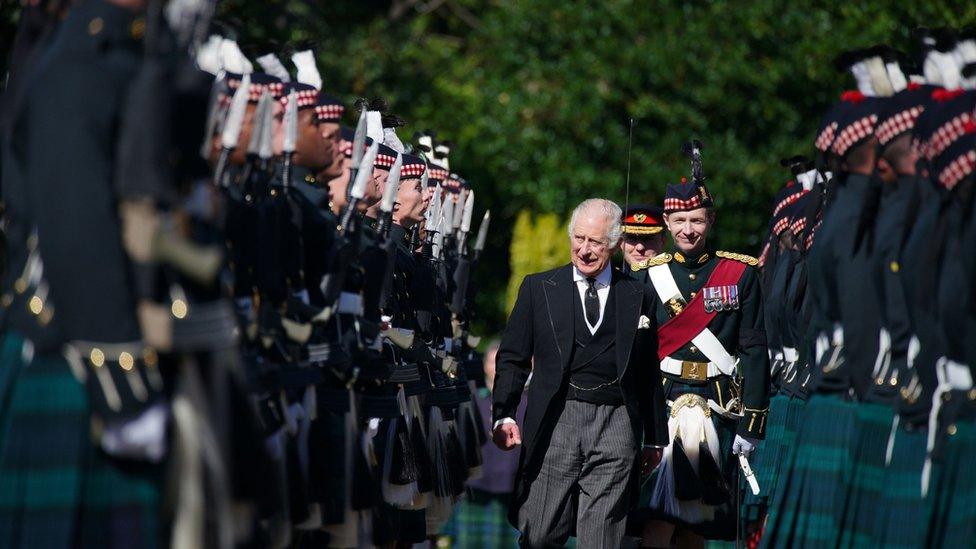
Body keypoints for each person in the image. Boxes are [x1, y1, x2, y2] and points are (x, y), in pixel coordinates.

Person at [491, 198, 668, 548]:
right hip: (558, 417)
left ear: (616, 244)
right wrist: (504, 414)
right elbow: (512, 357)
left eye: (596, 242)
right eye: (579, 239)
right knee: (540, 532)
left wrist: (654, 436)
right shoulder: (539, 288)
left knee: (602, 538)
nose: (585, 250)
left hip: (617, 421)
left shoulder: (638, 294)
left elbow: (648, 370)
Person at [636, 171, 769, 547]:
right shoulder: (648, 276)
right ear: (667, 222)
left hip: (719, 405)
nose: (688, 230)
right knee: (657, 521)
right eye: (679, 220)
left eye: (696, 220)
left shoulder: (741, 273)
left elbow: (755, 348)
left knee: (699, 524)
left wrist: (753, 423)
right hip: (662, 406)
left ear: (710, 220)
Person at [621, 203, 667, 272]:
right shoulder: (608, 279)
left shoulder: (674, 279)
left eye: (648, 239)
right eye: (631, 238)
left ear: (663, 241)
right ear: (619, 242)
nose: (640, 248)